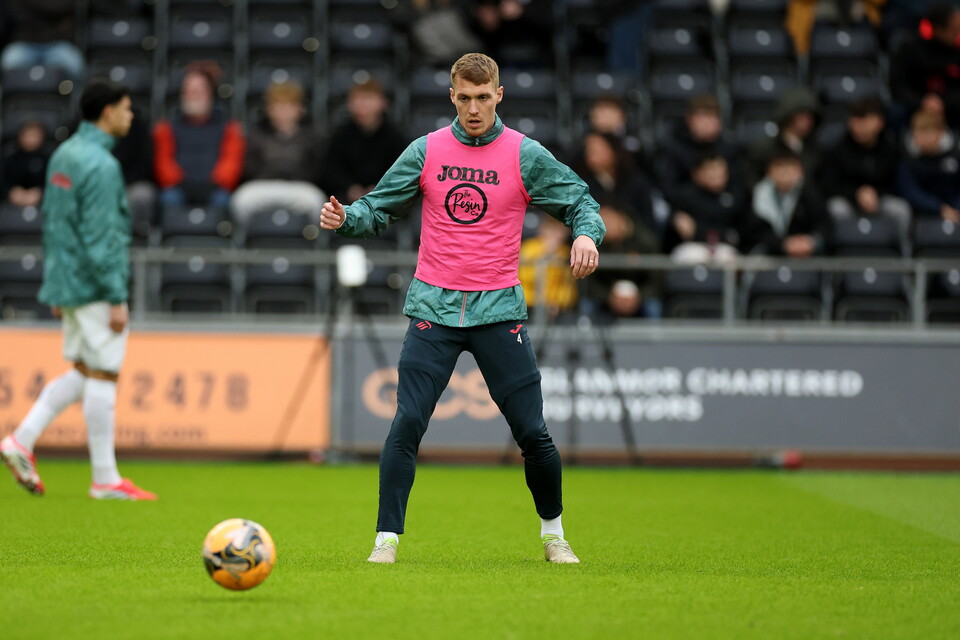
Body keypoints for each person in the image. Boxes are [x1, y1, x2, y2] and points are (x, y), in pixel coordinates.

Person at [320, 53, 604, 565]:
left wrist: (586, 233)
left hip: (499, 311)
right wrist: (347, 218)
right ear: (452, 96)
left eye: (483, 97)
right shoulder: (426, 151)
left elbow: (580, 199)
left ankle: (554, 534)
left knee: (533, 433)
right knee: (407, 422)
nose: (474, 108)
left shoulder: (524, 154)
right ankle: (386, 541)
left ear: (499, 95)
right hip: (434, 306)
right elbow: (378, 207)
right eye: (464, 98)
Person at [0, 79, 156, 501]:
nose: (131, 116)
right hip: (93, 285)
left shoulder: (64, 155)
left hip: (68, 281)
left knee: (85, 370)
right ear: (107, 112)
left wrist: (56, 285)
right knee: (103, 372)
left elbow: (54, 224)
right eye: (126, 108)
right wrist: (116, 295)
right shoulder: (103, 166)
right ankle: (104, 478)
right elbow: (101, 237)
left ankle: (22, 440)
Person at [230, 81, 326, 228]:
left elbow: (317, 169)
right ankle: (248, 239)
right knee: (241, 200)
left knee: (317, 202)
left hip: (299, 187)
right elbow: (249, 168)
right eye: (278, 106)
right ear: (269, 109)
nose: (283, 112)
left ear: (299, 109)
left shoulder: (312, 135)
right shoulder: (257, 133)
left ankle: (314, 243)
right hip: (263, 186)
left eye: (288, 106)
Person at [153, 62, 245, 209]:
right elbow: (164, 166)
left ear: (210, 94)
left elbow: (230, 167)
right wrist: (181, 183)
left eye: (199, 92)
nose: (193, 96)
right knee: (169, 198)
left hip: (215, 189)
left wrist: (214, 183)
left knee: (223, 199)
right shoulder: (165, 129)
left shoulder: (230, 129)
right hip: (179, 189)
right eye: (188, 92)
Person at [821, 97, 912, 241]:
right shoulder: (838, 149)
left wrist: (876, 194)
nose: (859, 126)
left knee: (901, 209)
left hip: (880, 199)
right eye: (855, 120)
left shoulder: (891, 149)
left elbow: (899, 184)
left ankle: (904, 256)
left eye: (865, 120)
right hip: (849, 201)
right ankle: (838, 252)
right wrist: (857, 193)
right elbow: (829, 185)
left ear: (880, 122)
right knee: (836, 208)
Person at [321, 79, 408, 205]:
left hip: (386, 197)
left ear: (383, 103)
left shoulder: (394, 136)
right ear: (349, 104)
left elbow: (401, 172)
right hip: (345, 198)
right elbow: (331, 170)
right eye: (359, 99)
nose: (363, 104)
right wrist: (349, 188)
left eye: (369, 98)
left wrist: (379, 188)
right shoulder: (340, 134)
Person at [656, 94, 740, 207]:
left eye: (715, 116)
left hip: (723, 211)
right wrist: (699, 182)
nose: (710, 123)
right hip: (687, 210)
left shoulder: (728, 149)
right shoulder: (673, 149)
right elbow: (668, 189)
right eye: (704, 116)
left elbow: (738, 189)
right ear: (689, 119)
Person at [745, 148, 829, 256]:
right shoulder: (759, 194)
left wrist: (811, 241)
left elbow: (824, 225)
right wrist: (782, 244)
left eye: (790, 166)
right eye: (780, 166)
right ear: (769, 171)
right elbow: (754, 230)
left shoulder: (811, 193)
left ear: (800, 170)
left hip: (807, 253)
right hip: (770, 252)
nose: (785, 171)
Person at [890, 3, 960, 130]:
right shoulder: (910, 48)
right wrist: (922, 102)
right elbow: (897, 86)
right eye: (954, 29)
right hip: (915, 105)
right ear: (939, 29)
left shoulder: (957, 50)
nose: (958, 33)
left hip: (951, 106)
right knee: (895, 112)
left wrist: (943, 102)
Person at [669, 154, 749, 264]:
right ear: (697, 173)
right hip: (694, 246)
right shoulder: (686, 196)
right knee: (691, 256)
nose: (715, 174)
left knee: (730, 259)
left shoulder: (736, 196)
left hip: (725, 247)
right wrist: (676, 219)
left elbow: (741, 230)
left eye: (718, 168)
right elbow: (675, 229)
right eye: (710, 169)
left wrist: (698, 231)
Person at [744, 87, 822, 187]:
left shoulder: (816, 151)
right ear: (788, 116)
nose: (806, 122)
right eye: (801, 116)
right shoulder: (764, 149)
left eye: (809, 117)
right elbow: (752, 182)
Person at [897, 109, 960, 222]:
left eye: (927, 132)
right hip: (922, 211)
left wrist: (956, 208)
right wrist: (939, 208)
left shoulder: (955, 153)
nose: (922, 138)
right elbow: (909, 190)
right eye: (919, 132)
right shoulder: (908, 156)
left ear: (940, 132)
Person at [1, 0, 85, 82]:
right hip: (23, 42)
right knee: (10, 63)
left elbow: (71, 5)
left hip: (58, 42)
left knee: (74, 67)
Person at [2, 120, 50, 209]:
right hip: (11, 205)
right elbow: (4, 181)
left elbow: (54, 183)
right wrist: (10, 192)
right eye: (27, 135)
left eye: (34, 135)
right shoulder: (10, 158)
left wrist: (40, 193)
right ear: (20, 136)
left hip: (41, 205)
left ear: (42, 137)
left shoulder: (48, 159)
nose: (30, 139)